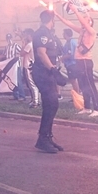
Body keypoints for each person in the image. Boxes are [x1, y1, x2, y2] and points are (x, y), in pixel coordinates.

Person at [55, 6, 98, 117]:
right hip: (79, 61)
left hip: (86, 61)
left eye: (86, 19)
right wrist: (57, 15)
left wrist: (75, 11)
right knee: (83, 85)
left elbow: (82, 22)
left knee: (90, 85)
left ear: (90, 22)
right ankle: (87, 108)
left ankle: (97, 109)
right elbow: (69, 23)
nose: (83, 20)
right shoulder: (82, 31)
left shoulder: (91, 31)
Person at [32, 10, 64, 153]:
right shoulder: (42, 33)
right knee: (50, 103)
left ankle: (47, 136)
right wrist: (52, 70)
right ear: (51, 20)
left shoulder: (50, 33)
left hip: (48, 72)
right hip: (42, 72)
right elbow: (41, 52)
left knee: (53, 104)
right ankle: (42, 139)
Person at [20, 28, 39, 108]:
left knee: (32, 84)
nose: (26, 37)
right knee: (31, 84)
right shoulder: (34, 44)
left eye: (26, 35)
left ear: (30, 35)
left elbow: (21, 53)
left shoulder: (29, 44)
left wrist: (23, 43)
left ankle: (36, 102)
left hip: (28, 66)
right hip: (31, 65)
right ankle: (34, 100)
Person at [2, 33, 24, 101]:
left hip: (16, 66)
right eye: (8, 39)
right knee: (12, 81)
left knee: (18, 81)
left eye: (10, 38)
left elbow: (22, 52)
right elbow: (4, 55)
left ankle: (22, 96)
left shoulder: (16, 45)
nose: (9, 40)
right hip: (10, 67)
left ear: (12, 38)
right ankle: (15, 95)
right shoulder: (6, 47)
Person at [61, 28, 81, 96]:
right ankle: (76, 94)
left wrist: (62, 58)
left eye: (63, 34)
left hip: (72, 64)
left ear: (66, 34)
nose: (63, 35)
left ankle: (77, 95)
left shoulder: (70, 42)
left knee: (73, 80)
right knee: (73, 80)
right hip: (70, 64)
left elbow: (70, 54)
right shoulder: (68, 42)